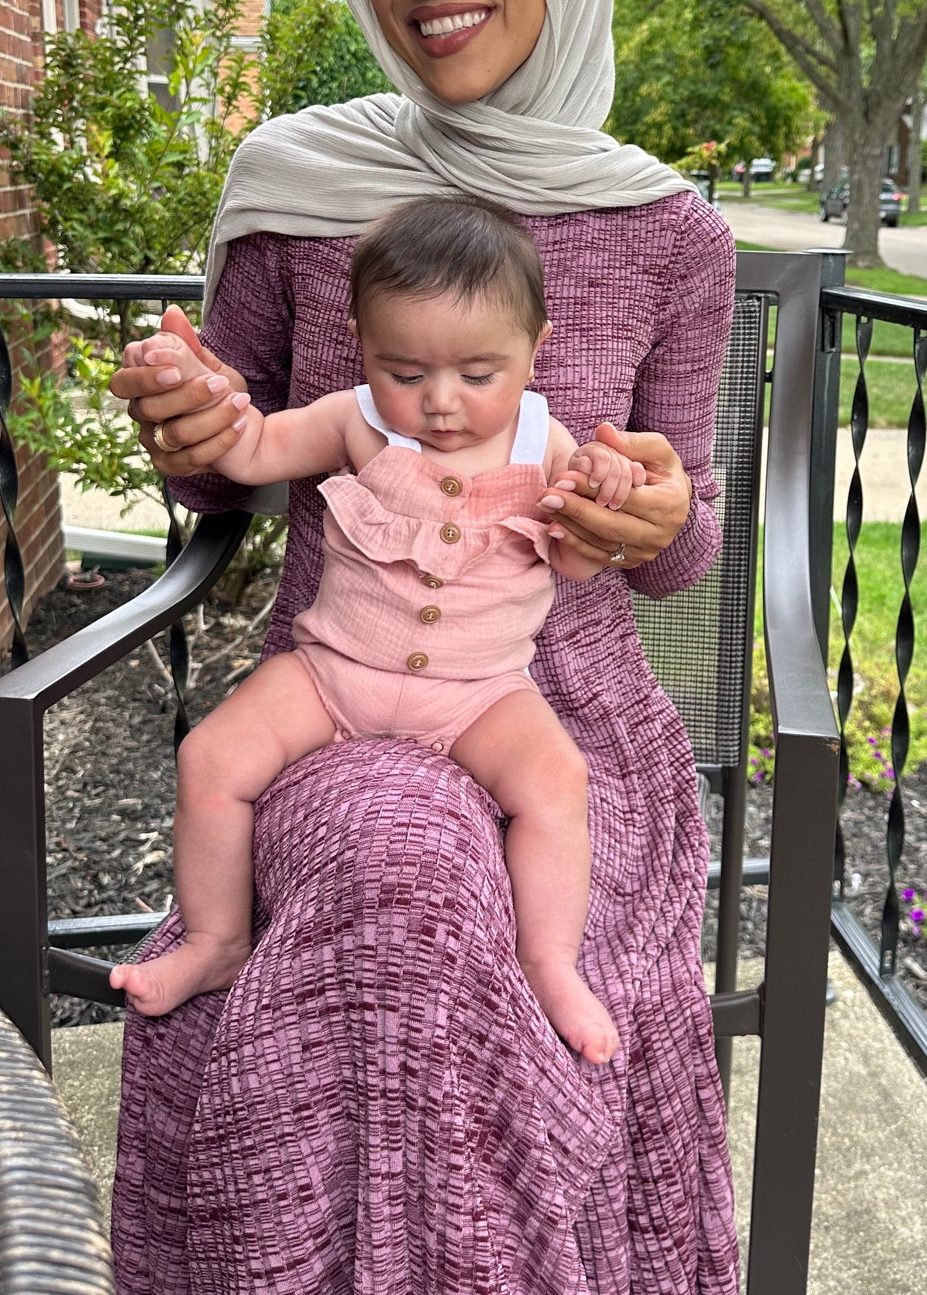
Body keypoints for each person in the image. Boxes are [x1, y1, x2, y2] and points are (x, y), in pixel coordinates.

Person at [108, 0, 742, 1295]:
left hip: (557, 720)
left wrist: (662, 518)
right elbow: (227, 473)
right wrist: (187, 427)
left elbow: (686, 552)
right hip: (343, 685)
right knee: (392, 880)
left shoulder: (671, 230)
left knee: (475, 941)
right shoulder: (300, 180)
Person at [111, 196, 640, 1060]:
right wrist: (191, 383)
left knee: (556, 785)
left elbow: (578, 563)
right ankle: (215, 939)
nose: (439, 403)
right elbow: (248, 453)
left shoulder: (546, 441)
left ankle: (548, 960)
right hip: (332, 672)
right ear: (361, 342)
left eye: (478, 376)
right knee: (211, 757)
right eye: (404, 371)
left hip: (479, 694)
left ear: (535, 349)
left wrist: (603, 489)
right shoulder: (352, 418)